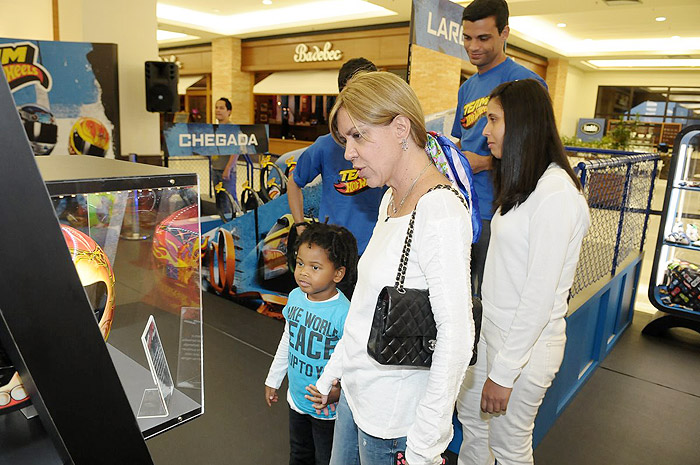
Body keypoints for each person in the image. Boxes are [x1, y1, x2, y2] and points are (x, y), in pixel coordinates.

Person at [312, 71, 474, 465]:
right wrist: (336, 370)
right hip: (357, 396)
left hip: (394, 424)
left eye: (358, 136)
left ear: (401, 128)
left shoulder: (439, 210)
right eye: (344, 140)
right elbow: (368, 305)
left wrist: (426, 442)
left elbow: (456, 334)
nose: (349, 153)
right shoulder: (391, 199)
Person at [456, 79, 591, 465]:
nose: (485, 132)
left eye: (493, 120)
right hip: (493, 335)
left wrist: (504, 373)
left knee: (509, 447)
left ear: (521, 124)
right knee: (473, 425)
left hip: (524, 351)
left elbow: (539, 296)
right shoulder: (525, 184)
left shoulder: (557, 195)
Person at [451, 0, 547, 298]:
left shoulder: (525, 83)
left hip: (502, 207)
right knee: (457, 293)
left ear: (504, 33)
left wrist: (484, 163)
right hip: (463, 206)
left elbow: (537, 152)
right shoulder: (467, 88)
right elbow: (460, 139)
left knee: (493, 297)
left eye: (483, 38)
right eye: (467, 38)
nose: (473, 47)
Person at [264, 222, 359, 465]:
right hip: (296, 399)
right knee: (299, 453)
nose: (304, 272)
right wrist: (273, 379)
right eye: (300, 263)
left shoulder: (344, 312)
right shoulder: (295, 297)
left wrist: (337, 393)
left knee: (325, 458)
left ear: (338, 273)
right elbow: (288, 338)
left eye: (315, 267)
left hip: (326, 409)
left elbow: (352, 361)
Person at [287, 57, 385, 255]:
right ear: (342, 93)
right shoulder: (325, 145)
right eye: (356, 90)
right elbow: (294, 182)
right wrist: (299, 226)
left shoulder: (387, 141)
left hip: (379, 247)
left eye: (369, 90)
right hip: (336, 249)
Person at [211, 97, 238, 200]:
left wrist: (228, 168)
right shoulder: (215, 128)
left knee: (229, 201)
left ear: (229, 111)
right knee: (219, 201)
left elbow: (236, 150)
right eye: (216, 107)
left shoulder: (232, 128)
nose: (218, 110)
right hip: (215, 169)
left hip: (227, 171)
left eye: (221, 108)